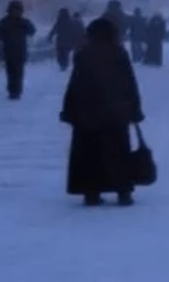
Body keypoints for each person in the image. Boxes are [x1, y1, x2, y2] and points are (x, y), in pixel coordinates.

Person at [60, 17, 144, 207]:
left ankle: (92, 192)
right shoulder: (118, 53)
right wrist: (135, 109)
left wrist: (68, 110)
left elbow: (75, 83)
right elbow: (129, 82)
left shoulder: (83, 54)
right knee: (118, 153)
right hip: (115, 112)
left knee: (90, 153)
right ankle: (123, 191)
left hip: (87, 112)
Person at [0, 0, 36, 100]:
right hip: (18, 52)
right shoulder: (22, 22)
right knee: (16, 73)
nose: (16, 12)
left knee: (12, 73)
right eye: (15, 10)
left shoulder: (5, 21)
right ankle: (15, 91)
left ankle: (13, 91)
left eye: (18, 10)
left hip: (11, 52)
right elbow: (32, 31)